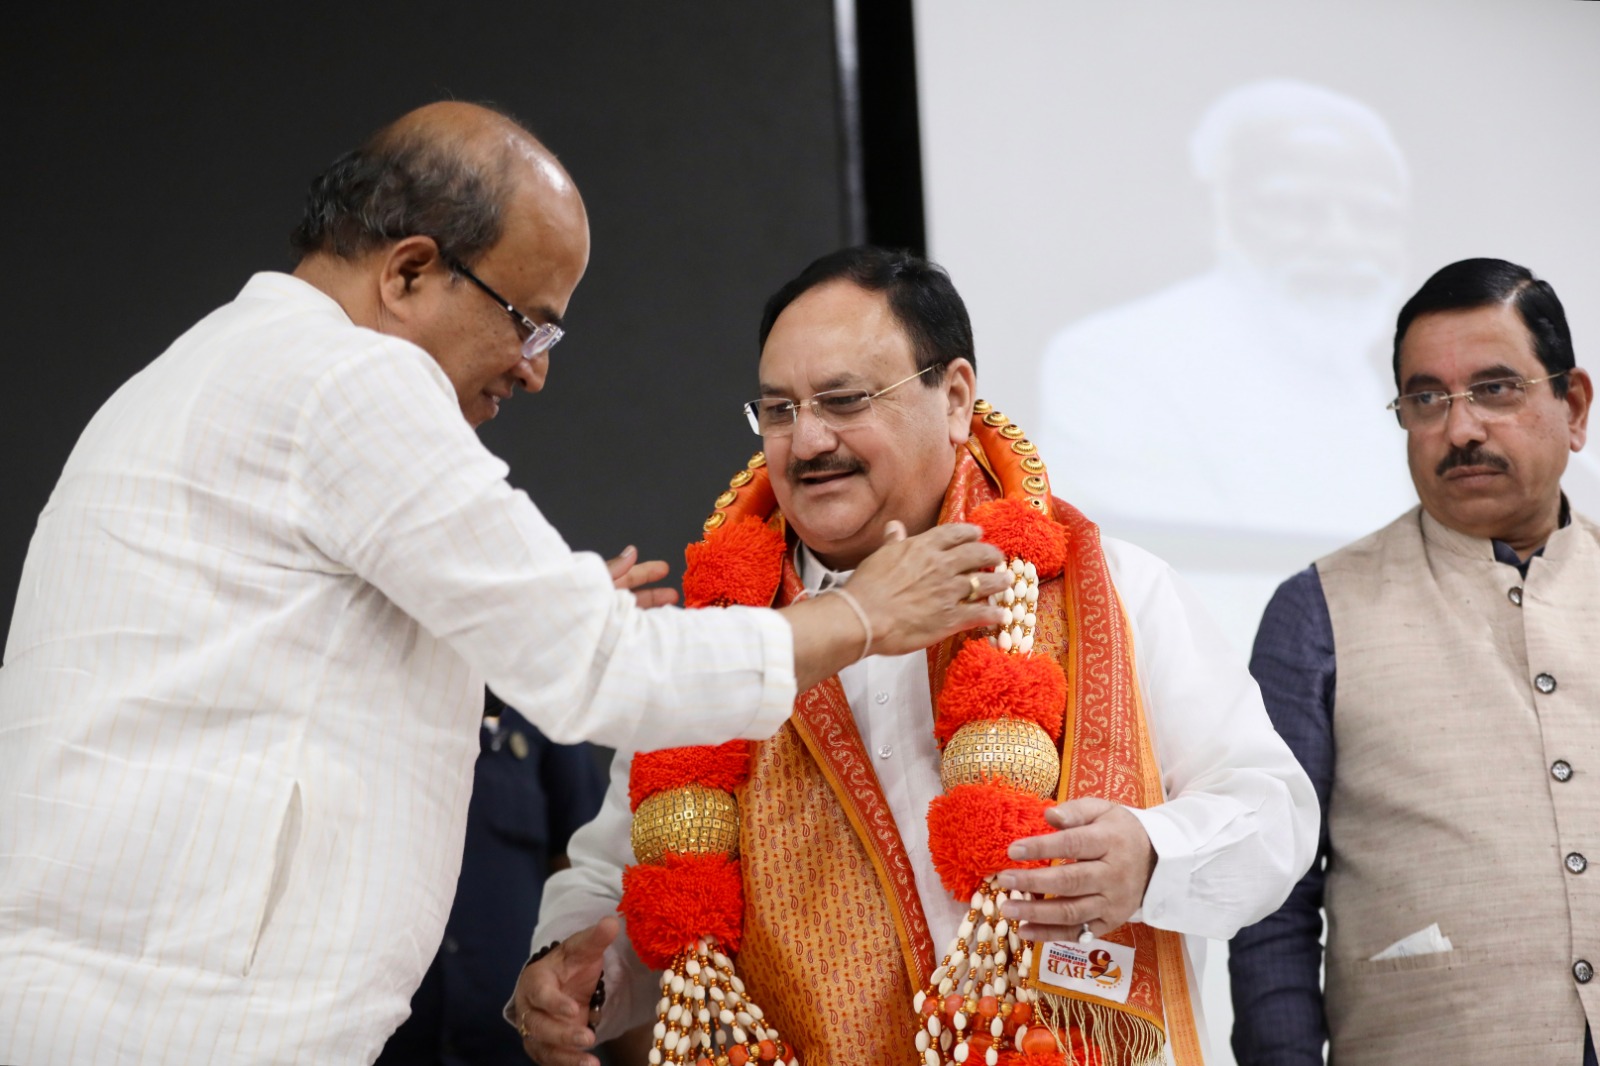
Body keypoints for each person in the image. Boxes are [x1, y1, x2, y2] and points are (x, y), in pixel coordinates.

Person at [0, 105, 1014, 1065]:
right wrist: (861, 614)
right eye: (529, 324)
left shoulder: (194, 373)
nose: (533, 372)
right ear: (408, 272)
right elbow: (599, 668)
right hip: (183, 1020)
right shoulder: (351, 380)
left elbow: (273, 666)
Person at [513, 246, 1319, 1066]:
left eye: (844, 400)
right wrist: (576, 974)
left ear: (957, 397)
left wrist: (1151, 855)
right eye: (780, 410)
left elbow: (1275, 811)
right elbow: (618, 884)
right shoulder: (727, 643)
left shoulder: (1110, 589)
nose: (808, 440)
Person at [1229, 258, 1599, 1066]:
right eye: (1426, 398)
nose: (1460, 429)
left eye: (1496, 389)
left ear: (1572, 406)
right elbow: (1272, 899)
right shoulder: (1317, 611)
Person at [1035, 79, 1417, 648]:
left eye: (1371, 215)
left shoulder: (1399, 382)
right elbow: (1163, 600)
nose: (1340, 240)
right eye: (1293, 207)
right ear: (1211, 209)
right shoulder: (1117, 362)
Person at [375, 693, 607, 1066]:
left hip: (518, 1049)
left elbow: (594, 882)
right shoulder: (363, 697)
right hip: (372, 1047)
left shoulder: (539, 705)